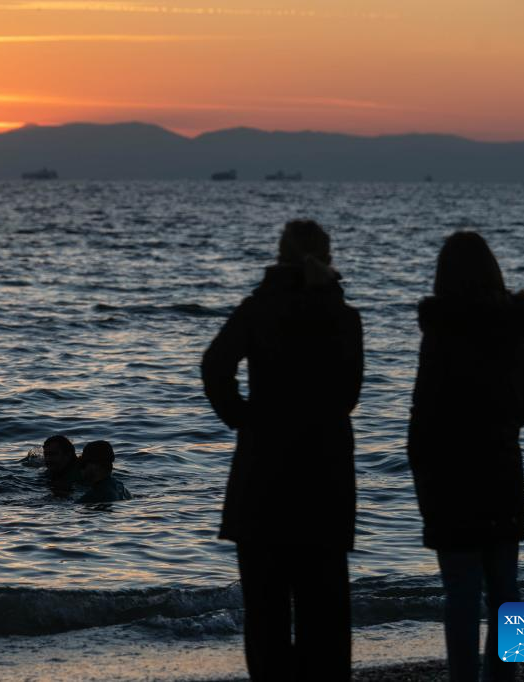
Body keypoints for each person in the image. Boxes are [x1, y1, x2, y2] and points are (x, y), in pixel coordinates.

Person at [201, 219, 363, 681]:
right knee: (325, 613)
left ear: (280, 254)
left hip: (263, 474)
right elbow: (349, 396)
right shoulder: (343, 317)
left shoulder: (258, 309)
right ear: (328, 259)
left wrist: (244, 419)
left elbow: (215, 367)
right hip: (324, 476)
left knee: (266, 612)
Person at [408, 231, 524, 682]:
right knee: (509, 589)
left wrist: (421, 474)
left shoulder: (440, 334)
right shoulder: (515, 331)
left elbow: (422, 414)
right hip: (502, 472)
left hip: (449, 479)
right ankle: (510, 676)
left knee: (461, 594)